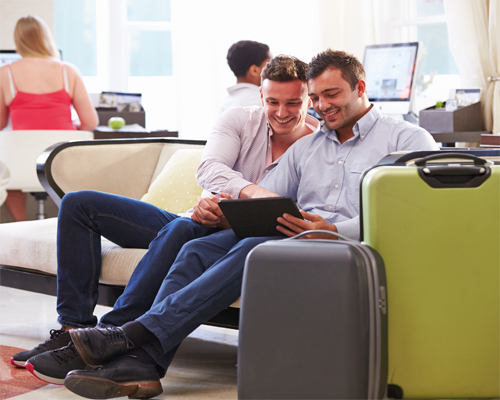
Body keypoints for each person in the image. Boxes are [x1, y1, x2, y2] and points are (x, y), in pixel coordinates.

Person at [30, 49, 439, 399]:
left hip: (346, 244)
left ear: (360, 87)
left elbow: (411, 211)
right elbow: (267, 199)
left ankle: (128, 336)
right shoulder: (308, 147)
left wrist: (336, 230)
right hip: (290, 235)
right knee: (193, 245)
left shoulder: (407, 140)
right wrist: (218, 209)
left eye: (331, 94)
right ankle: (141, 364)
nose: (322, 105)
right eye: (316, 97)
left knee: (252, 247)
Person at [11, 55, 319, 378]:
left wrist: (237, 214)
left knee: (182, 231)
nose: (281, 112)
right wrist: (250, 195)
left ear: (308, 99)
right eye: (273, 102)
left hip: (230, 235)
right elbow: (210, 169)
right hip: (199, 220)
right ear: (261, 95)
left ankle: (106, 336)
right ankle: (72, 329)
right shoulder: (239, 120)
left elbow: (299, 213)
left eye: (293, 103)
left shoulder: (317, 145)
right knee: (79, 204)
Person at [0, 15, 98, 221]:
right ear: (46, 38)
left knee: (8, 170)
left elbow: (0, 123)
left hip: (22, 163)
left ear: (17, 40)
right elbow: (90, 123)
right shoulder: (68, 71)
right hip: (60, 161)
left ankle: (22, 223)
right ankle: (66, 221)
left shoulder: (4, 73)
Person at [220, 40, 271, 113]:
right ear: (254, 70)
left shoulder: (226, 103)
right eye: (269, 66)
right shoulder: (261, 101)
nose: (275, 70)